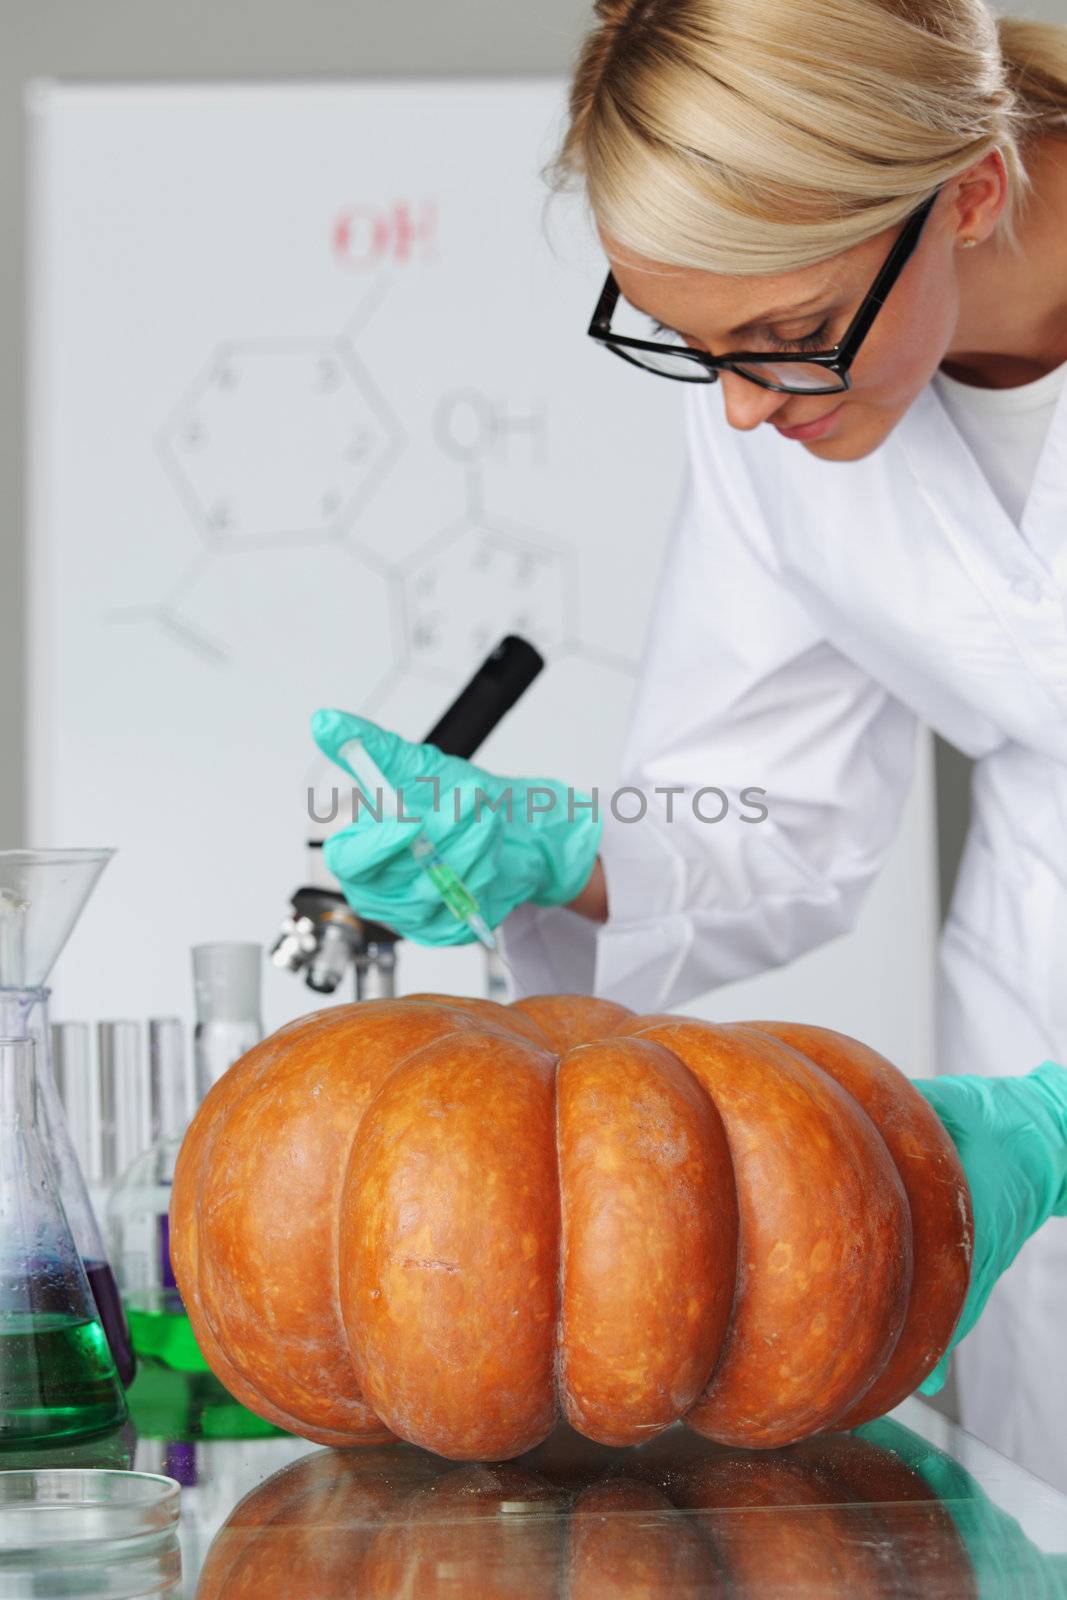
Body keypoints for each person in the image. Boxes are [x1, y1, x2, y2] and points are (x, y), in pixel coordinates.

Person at [311, 1, 1067, 1489]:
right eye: (692, 347)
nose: (737, 405)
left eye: (781, 340)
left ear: (971, 189)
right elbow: (771, 814)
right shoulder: (785, 414)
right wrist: (564, 848)